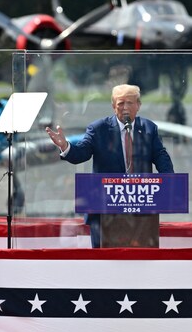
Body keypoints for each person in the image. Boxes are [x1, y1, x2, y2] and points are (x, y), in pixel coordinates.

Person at [46, 84, 174, 248]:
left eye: (130, 103)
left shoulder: (148, 128)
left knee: (141, 262)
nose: (125, 107)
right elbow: (82, 153)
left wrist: (169, 181)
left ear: (138, 105)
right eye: (120, 103)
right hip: (104, 210)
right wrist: (65, 146)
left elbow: (161, 156)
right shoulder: (99, 129)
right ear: (114, 107)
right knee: (105, 264)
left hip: (140, 210)